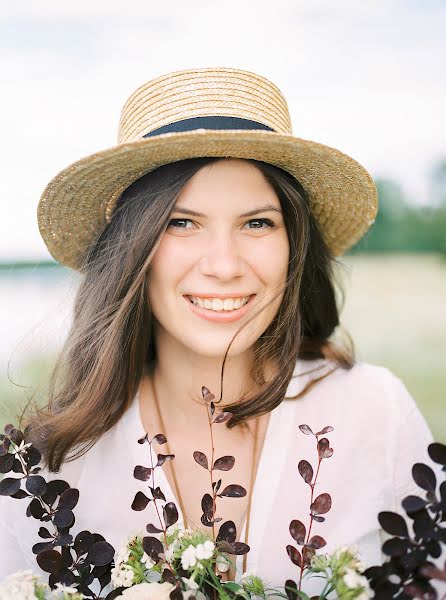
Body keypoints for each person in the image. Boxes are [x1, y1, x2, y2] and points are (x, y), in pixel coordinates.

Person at [0, 67, 443, 597]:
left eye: (257, 223)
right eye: (180, 222)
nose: (225, 265)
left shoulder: (377, 411)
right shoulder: (50, 469)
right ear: (130, 249)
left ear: (293, 245)